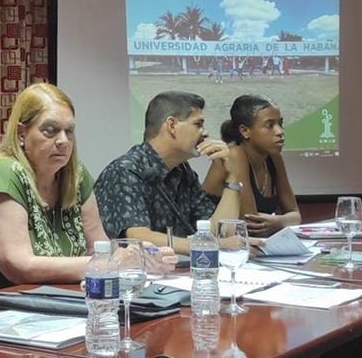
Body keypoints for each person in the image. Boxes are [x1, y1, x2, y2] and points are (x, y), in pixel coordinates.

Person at [0, 83, 173, 299]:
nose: (63, 141)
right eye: (50, 131)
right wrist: (106, 263)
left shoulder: (74, 174)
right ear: (22, 134)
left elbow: (99, 247)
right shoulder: (5, 172)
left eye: (69, 131)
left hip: (44, 301)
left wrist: (143, 257)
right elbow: (18, 266)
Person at [94, 91, 247, 255]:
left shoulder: (183, 171)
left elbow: (219, 233)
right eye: (198, 124)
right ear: (172, 125)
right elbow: (139, 237)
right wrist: (208, 246)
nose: (205, 133)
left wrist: (232, 177)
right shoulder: (125, 171)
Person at [203, 95, 301, 237]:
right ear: (245, 131)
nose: (280, 132)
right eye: (270, 125)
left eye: (280, 123)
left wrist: (279, 221)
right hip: (210, 242)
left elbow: (296, 216)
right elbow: (251, 224)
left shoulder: (274, 157)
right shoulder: (235, 155)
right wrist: (282, 221)